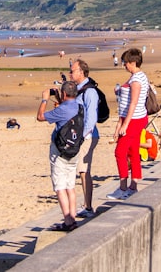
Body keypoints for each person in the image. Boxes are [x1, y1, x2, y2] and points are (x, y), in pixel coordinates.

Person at [37, 79, 82, 232]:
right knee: (70, 185)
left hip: (60, 152)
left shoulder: (62, 110)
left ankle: (68, 220)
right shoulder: (80, 107)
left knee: (60, 186)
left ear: (64, 93)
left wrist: (44, 99)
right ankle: (73, 218)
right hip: (74, 150)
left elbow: (41, 116)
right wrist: (60, 99)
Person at [108, 48, 150, 201]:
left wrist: (124, 125)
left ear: (133, 63)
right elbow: (127, 103)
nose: (124, 65)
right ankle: (133, 185)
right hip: (134, 118)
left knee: (120, 152)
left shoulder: (137, 80)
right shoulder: (137, 77)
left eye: (125, 63)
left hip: (134, 120)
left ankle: (124, 187)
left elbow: (133, 104)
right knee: (132, 151)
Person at [71, 58, 100, 218]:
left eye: (72, 70)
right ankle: (86, 205)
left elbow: (91, 117)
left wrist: (83, 136)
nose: (70, 73)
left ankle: (88, 207)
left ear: (81, 72)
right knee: (82, 170)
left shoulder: (89, 91)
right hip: (82, 135)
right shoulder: (79, 89)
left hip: (88, 136)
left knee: (83, 170)